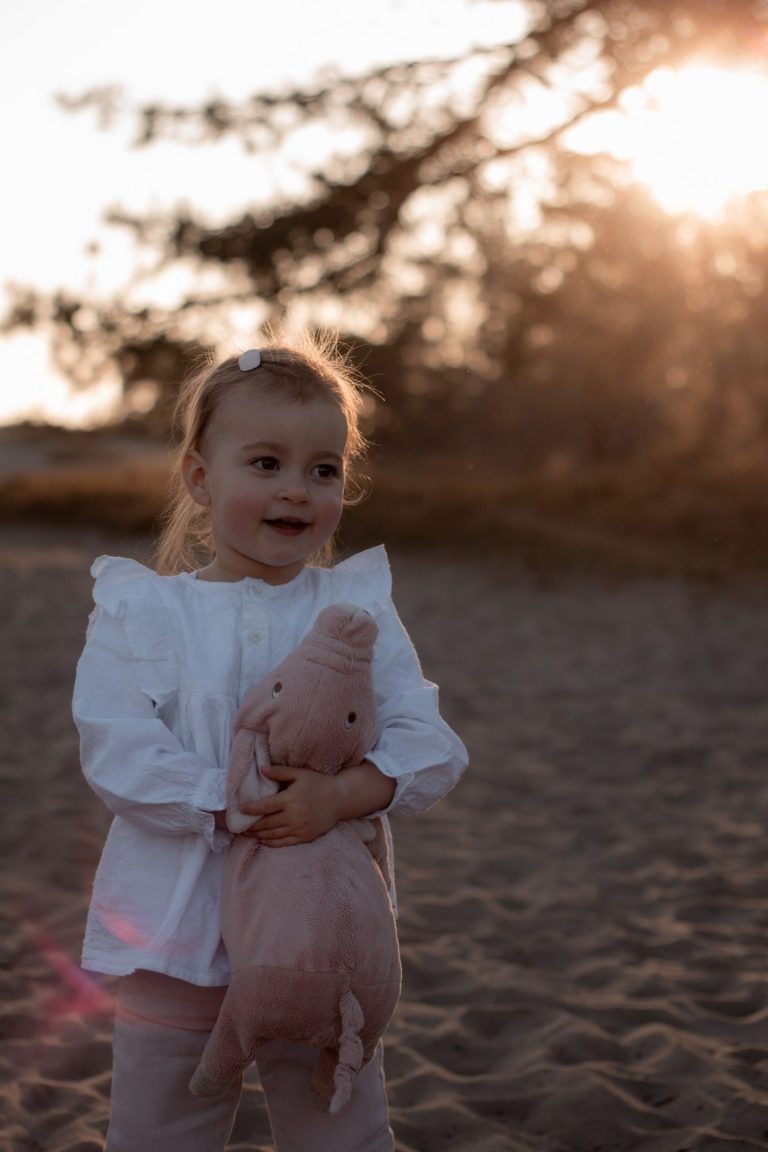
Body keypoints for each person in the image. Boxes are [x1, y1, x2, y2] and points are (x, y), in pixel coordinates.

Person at [72, 333, 468, 1152]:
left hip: (316, 934)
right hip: (170, 928)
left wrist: (343, 795)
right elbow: (117, 749)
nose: (297, 489)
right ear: (198, 476)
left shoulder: (354, 612)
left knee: (341, 1131)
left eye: (322, 470)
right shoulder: (145, 611)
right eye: (265, 463)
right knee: (160, 1133)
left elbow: (430, 741)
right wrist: (232, 799)